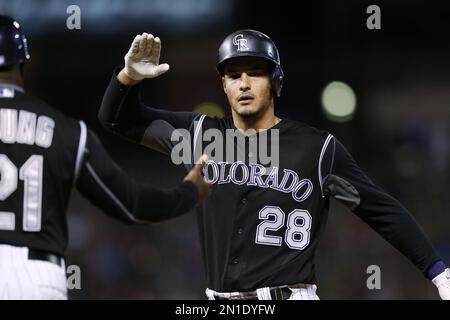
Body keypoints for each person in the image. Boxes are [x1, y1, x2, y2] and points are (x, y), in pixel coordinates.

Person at [98, 29, 450, 300]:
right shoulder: (200, 133)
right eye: (234, 75)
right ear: (223, 85)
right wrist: (128, 78)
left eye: (256, 72)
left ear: (276, 81)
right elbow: (118, 121)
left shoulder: (317, 148)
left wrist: (437, 271)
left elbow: (381, 209)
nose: (244, 83)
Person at [0, 15, 211, 300]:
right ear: (23, 64)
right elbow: (132, 204)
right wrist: (190, 191)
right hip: (38, 278)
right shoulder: (67, 132)